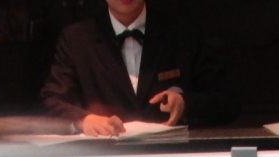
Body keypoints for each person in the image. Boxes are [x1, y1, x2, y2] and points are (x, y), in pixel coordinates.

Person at [40, 0, 237, 136]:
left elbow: (226, 101)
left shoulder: (183, 33)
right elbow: (51, 101)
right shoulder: (77, 39)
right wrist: (84, 120)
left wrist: (186, 104)